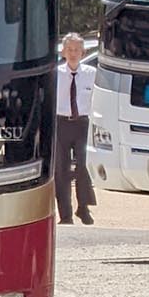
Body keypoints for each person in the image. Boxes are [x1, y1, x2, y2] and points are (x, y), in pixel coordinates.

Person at [52, 33, 95, 225]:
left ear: (83, 52)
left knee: (82, 167)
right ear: (63, 52)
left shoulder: (91, 74)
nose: (73, 53)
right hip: (61, 123)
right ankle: (66, 214)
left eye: (77, 50)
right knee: (61, 171)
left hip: (82, 124)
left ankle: (83, 207)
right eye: (69, 49)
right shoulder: (55, 74)